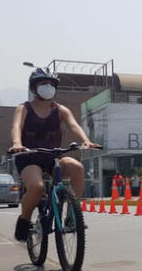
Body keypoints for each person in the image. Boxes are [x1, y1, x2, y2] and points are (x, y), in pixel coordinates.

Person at [9, 68, 100, 242]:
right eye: (43, 83)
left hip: (53, 155)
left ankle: (71, 216)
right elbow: (16, 127)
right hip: (29, 156)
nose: (48, 87)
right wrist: (16, 143)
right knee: (36, 187)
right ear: (34, 87)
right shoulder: (24, 108)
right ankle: (24, 220)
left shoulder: (60, 110)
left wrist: (85, 140)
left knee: (77, 167)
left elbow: (74, 125)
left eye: (51, 84)